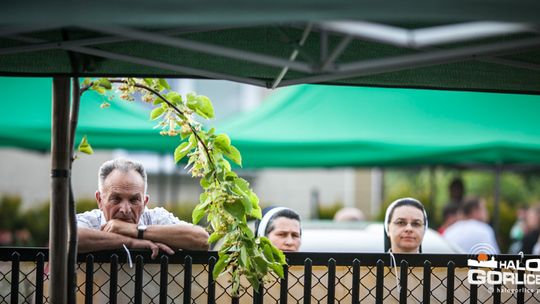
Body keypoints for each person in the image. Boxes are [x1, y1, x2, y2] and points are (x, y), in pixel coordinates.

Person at [77, 158, 209, 259]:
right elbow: (66, 238)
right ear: (100, 200)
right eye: (116, 199)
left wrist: (136, 230)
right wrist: (132, 242)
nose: (125, 209)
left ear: (145, 202)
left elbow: (202, 240)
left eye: (134, 200)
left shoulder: (155, 218)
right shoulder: (90, 221)